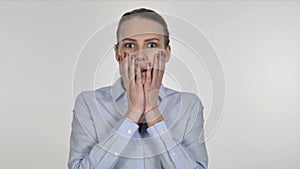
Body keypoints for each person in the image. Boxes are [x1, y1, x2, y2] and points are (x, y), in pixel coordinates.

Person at [68, 8, 208, 169]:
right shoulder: (89, 103)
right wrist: (132, 115)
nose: (140, 55)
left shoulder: (189, 106)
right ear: (118, 53)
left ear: (167, 52)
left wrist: (153, 113)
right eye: (129, 45)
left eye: (151, 44)